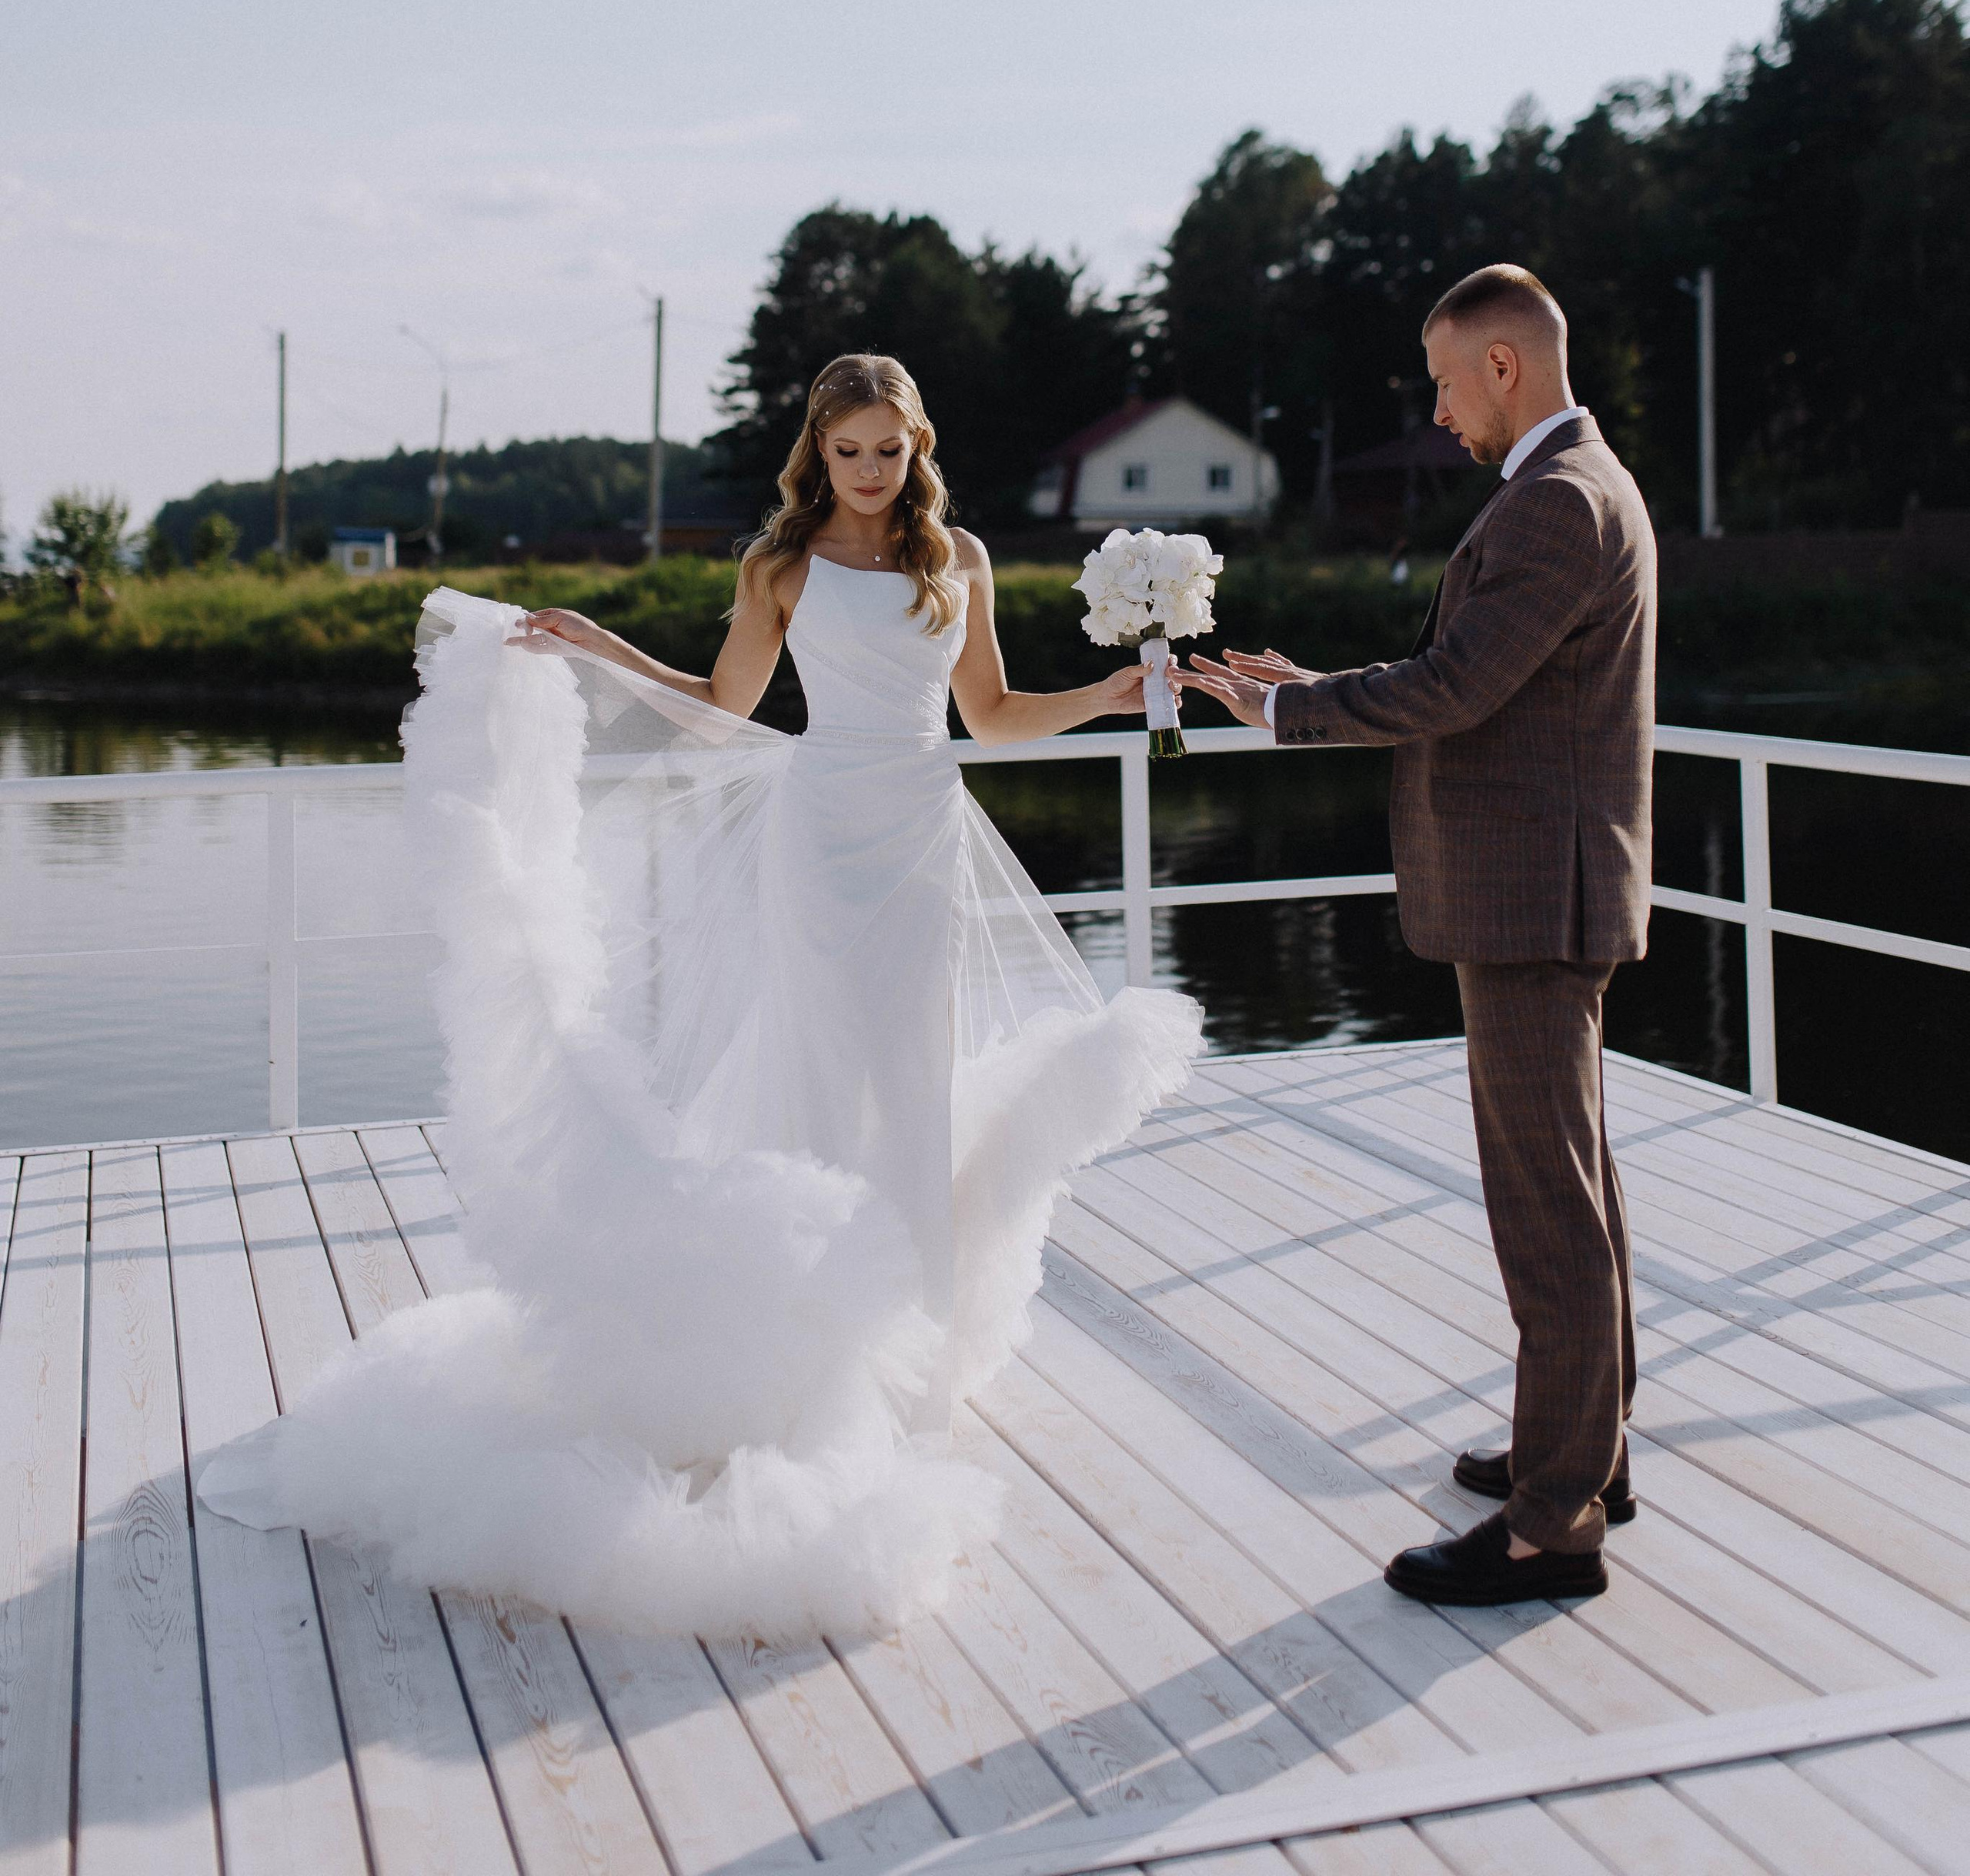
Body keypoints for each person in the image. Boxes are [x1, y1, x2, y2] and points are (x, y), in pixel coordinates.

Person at [196, 352, 1200, 1642]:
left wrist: (1114, 694)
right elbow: (726, 708)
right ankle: (803, 1352)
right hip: (818, 841)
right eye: (849, 452)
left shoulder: (965, 560)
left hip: (920, 844)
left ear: (918, 444)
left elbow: (992, 717)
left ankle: (910, 1354)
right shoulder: (777, 567)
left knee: (911, 1084)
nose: (872, 472)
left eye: (890, 450)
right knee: (814, 1076)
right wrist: (601, 645)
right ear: (818, 455)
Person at [1187, 265, 1652, 1607]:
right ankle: (1585, 1454)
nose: (1441, 412)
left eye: (1447, 383)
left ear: (1504, 365)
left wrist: (1286, 717)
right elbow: (1485, 680)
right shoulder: (1576, 489)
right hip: (1545, 890)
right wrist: (1315, 685)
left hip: (1532, 899)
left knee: (1546, 1204)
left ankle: (1552, 1527)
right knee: (1575, 1184)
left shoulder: (1560, 502)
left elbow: (1459, 686)